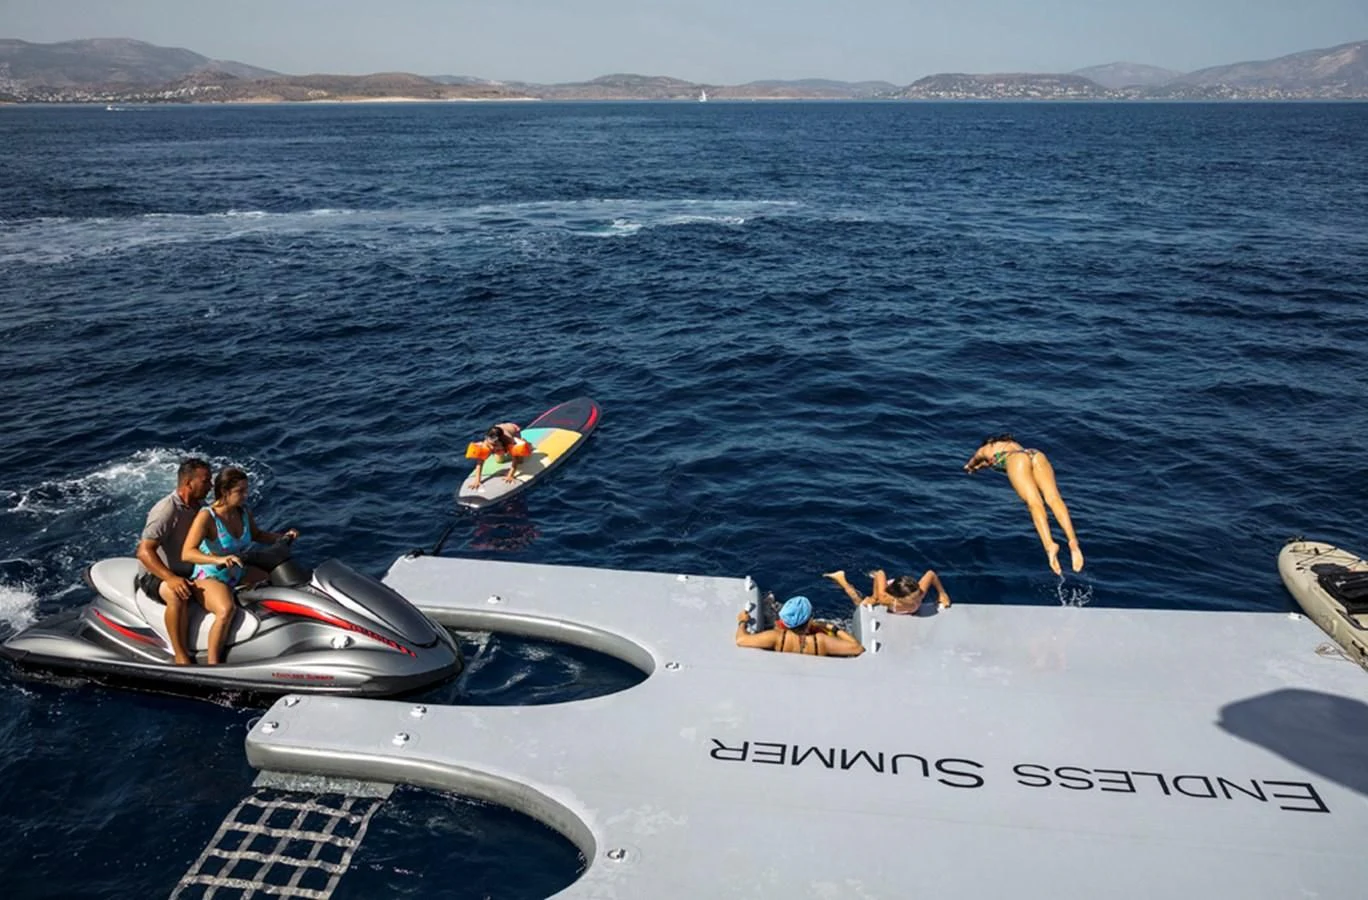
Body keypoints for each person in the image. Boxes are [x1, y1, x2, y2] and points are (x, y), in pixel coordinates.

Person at [180, 467, 299, 665]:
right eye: (240, 491)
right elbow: (187, 553)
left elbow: (258, 535)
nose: (246, 495)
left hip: (238, 571)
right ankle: (213, 665)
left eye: (246, 490)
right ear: (225, 492)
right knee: (226, 610)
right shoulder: (207, 517)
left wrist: (283, 537)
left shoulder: (243, 512)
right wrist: (218, 560)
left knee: (279, 584)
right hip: (210, 576)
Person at [963, 434, 1083, 576]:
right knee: (1054, 498)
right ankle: (1073, 541)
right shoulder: (1011, 444)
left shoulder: (983, 450)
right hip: (1035, 454)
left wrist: (969, 468)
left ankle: (1050, 545)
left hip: (1016, 461)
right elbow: (989, 463)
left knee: (1034, 503)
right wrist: (980, 466)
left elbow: (972, 463)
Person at [135, 457, 213, 666]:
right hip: (156, 574)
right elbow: (143, 551)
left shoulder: (199, 507)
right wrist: (170, 578)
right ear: (189, 483)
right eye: (206, 481)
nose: (210, 486)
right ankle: (180, 655)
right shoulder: (166, 510)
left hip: (189, 570)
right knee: (177, 595)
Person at [735, 595, 864, 657]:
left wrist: (742, 622)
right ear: (809, 621)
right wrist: (832, 627)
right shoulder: (820, 641)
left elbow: (741, 640)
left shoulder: (776, 637)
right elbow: (857, 648)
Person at [823, 568, 950, 614]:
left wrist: (942, 593)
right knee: (859, 604)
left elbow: (931, 574)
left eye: (919, 596)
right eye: (914, 599)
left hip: (904, 587)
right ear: (899, 599)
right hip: (889, 588)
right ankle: (841, 578)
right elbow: (880, 573)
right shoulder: (886, 599)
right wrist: (874, 597)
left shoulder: (920, 592)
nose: (920, 599)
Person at [466, 422, 532, 488]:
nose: (491, 447)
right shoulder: (488, 441)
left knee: (520, 460)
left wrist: (510, 475)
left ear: (501, 441)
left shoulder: (508, 440)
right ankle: (503, 450)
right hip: (498, 431)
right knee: (499, 460)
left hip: (514, 430)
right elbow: (480, 462)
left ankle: (525, 443)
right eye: (490, 444)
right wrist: (477, 481)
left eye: (494, 445)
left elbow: (516, 459)